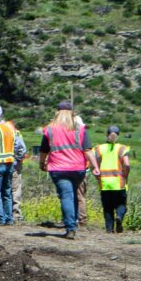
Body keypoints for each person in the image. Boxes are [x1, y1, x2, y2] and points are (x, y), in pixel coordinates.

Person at [37, 102, 92, 239]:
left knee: (66, 196)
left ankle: (70, 227)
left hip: (58, 168)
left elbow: (44, 149)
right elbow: (87, 149)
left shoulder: (50, 129)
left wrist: (42, 163)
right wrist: (95, 166)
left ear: (57, 112)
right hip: (78, 168)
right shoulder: (80, 128)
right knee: (72, 194)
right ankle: (72, 224)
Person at [93, 125, 132, 233]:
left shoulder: (98, 148)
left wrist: (97, 176)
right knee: (121, 205)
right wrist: (125, 175)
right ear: (118, 135)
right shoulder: (122, 148)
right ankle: (119, 216)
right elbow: (127, 164)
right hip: (119, 182)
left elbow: (93, 164)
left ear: (106, 134)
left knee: (107, 207)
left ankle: (109, 229)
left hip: (104, 183)